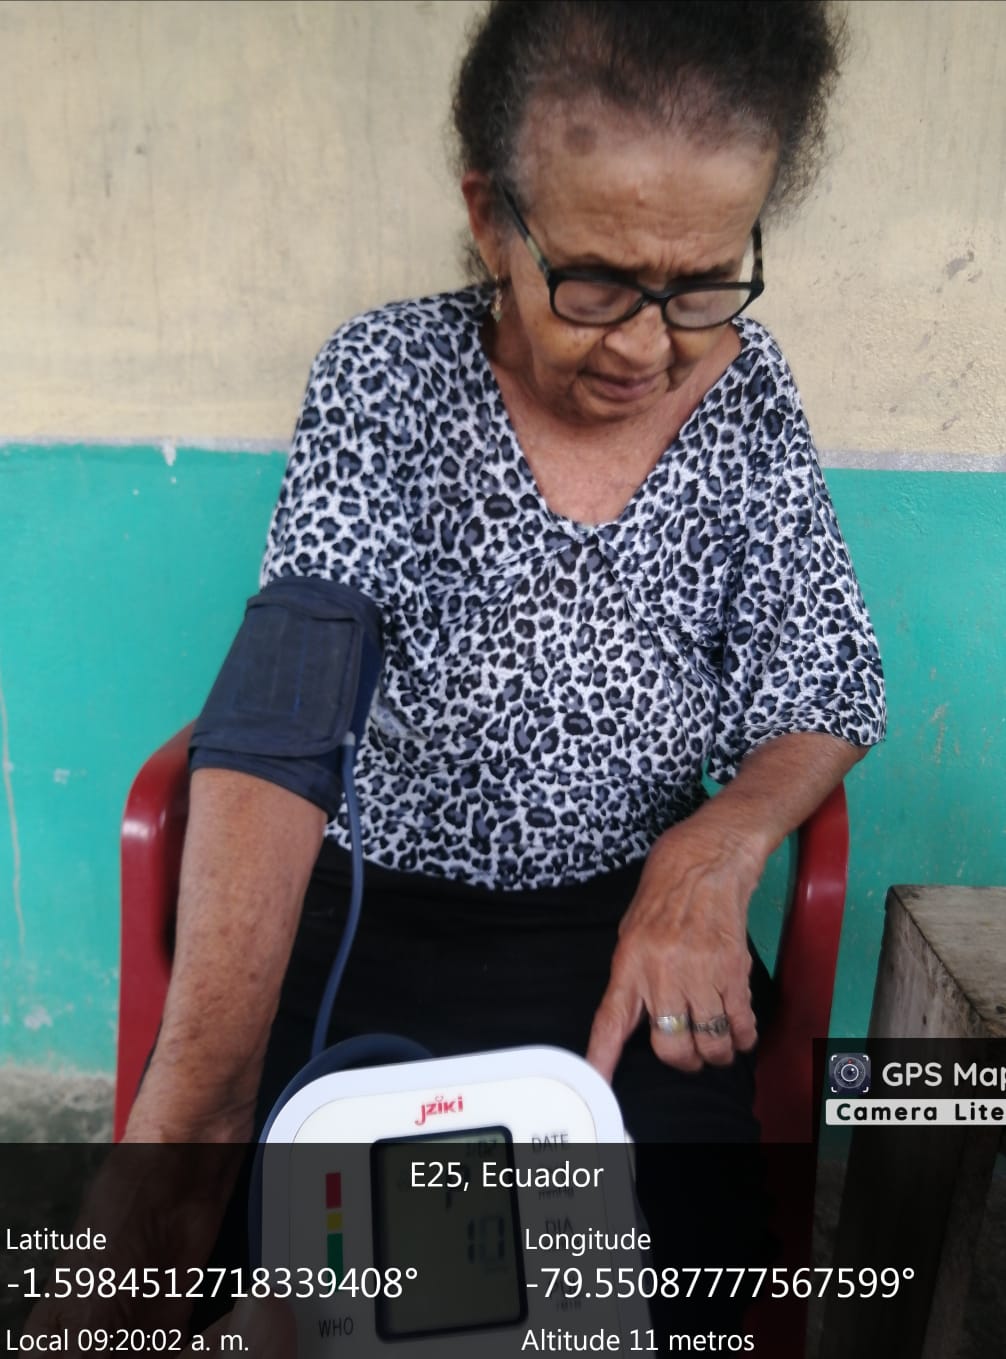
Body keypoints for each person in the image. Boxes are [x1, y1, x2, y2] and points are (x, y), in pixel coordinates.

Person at [125, 0, 885, 1157]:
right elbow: (289, 704)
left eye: (701, 284)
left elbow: (821, 680)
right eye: (594, 284)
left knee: (648, 1246)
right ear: (491, 221)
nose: (647, 348)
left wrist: (709, 853)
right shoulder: (387, 373)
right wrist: (201, 1105)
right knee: (284, 1235)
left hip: (618, 918)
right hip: (367, 909)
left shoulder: (747, 394)